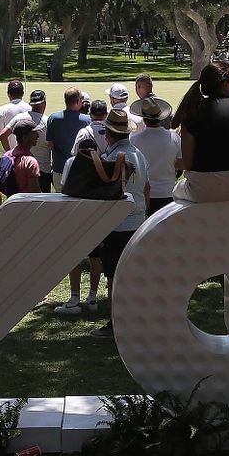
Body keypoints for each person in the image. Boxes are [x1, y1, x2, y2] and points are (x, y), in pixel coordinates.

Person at [85, 108, 146, 340]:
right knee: (131, 275)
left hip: (118, 224)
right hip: (137, 220)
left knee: (113, 277)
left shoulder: (111, 158)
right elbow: (146, 189)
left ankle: (115, 324)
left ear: (109, 134)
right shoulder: (139, 154)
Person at [170, 62, 229, 202]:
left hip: (202, 189)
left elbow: (188, 164)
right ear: (225, 84)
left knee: (177, 190)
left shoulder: (191, 114)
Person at [130, 94, 179, 216]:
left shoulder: (134, 140)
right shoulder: (174, 138)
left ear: (144, 119)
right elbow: (181, 163)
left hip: (143, 193)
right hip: (167, 192)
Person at [47, 88, 90, 193]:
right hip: (80, 169)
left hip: (59, 168)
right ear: (77, 101)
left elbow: (50, 143)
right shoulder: (86, 120)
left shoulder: (53, 118)